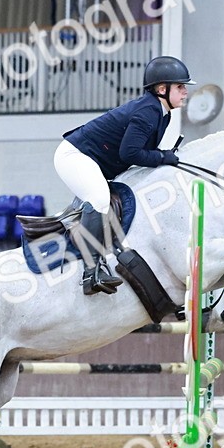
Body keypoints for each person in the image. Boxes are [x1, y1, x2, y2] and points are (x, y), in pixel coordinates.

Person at [55, 55, 194, 295]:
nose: (185, 92)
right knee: (99, 198)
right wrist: (162, 157)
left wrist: (162, 157)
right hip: (74, 156)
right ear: (162, 89)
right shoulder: (148, 111)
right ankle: (91, 272)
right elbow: (130, 153)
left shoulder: (162, 113)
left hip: (93, 161)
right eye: (180, 86)